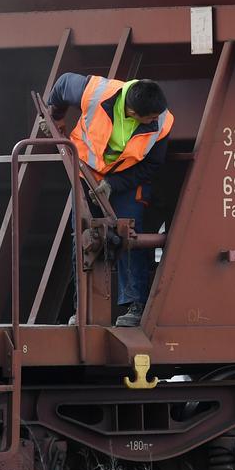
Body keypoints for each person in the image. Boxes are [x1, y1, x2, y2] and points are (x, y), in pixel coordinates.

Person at [47, 73, 172, 328]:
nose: (155, 120)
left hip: (125, 181)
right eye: (150, 118)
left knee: (129, 234)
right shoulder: (96, 92)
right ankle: (82, 309)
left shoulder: (163, 123)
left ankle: (134, 306)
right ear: (133, 112)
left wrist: (113, 185)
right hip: (85, 174)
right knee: (83, 238)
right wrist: (55, 116)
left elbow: (152, 165)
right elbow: (61, 86)